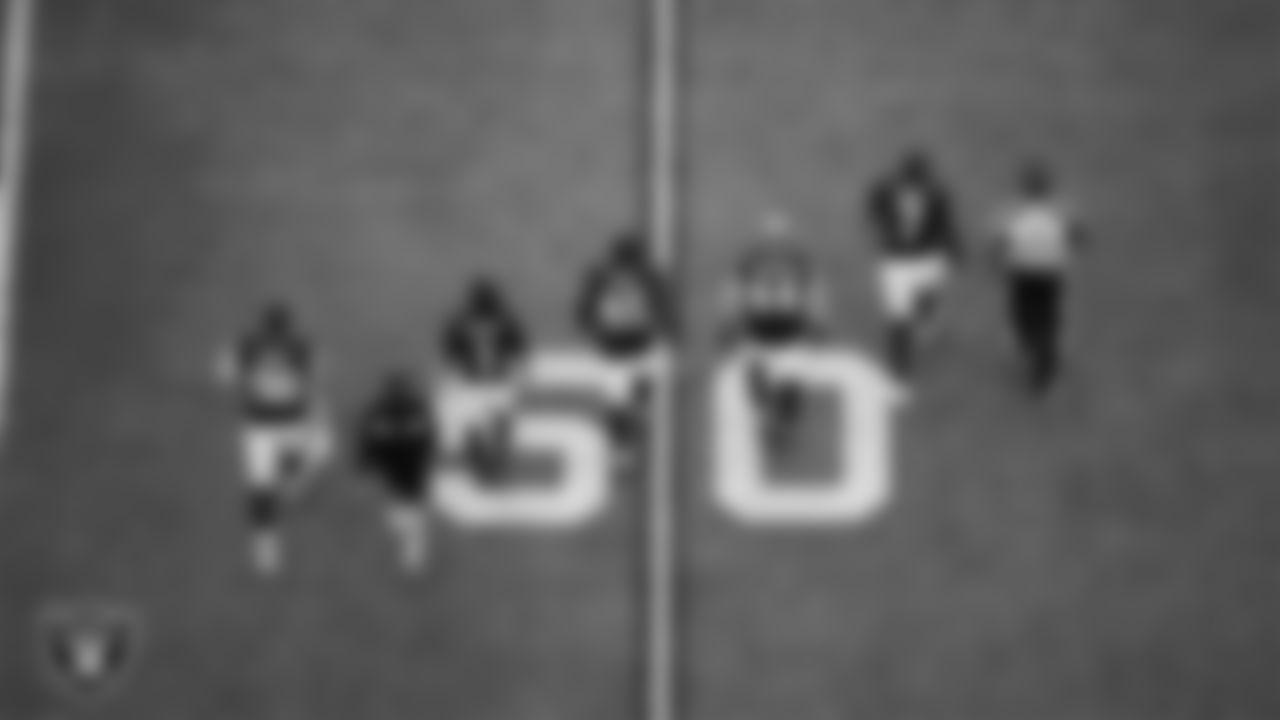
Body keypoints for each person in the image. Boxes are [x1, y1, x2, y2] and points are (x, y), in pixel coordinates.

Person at [214, 301, 334, 576]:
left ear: (263, 325)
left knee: (262, 484)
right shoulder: (300, 345)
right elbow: (318, 375)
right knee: (299, 464)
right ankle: (267, 538)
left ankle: (265, 543)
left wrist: (250, 378)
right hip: (290, 423)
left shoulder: (249, 345)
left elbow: (224, 374)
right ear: (289, 325)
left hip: (261, 427)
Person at [719, 216, 831, 453]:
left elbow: (814, 290)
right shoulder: (755, 259)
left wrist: (818, 320)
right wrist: (729, 320)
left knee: (789, 384)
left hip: (786, 329)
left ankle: (781, 422)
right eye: (773, 236)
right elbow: (734, 288)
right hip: (762, 327)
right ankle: (768, 417)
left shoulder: (793, 259)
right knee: (756, 377)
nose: (775, 242)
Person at [574, 232, 674, 465]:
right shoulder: (648, 276)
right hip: (641, 347)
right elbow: (663, 308)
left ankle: (623, 445)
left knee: (616, 404)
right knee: (652, 378)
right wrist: (669, 331)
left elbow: (583, 313)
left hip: (612, 351)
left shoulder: (598, 276)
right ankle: (637, 411)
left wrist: (593, 330)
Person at [866, 149, 964, 377]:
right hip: (917, 260)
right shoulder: (935, 194)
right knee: (906, 311)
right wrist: (957, 251)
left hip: (903, 261)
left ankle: (904, 355)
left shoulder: (887, 190)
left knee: (905, 311)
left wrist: (885, 228)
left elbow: (873, 212)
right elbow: (947, 228)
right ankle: (902, 360)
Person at [992, 162, 1085, 395]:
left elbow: (998, 244)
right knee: (1047, 314)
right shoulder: (1061, 211)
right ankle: (1045, 357)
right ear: (1047, 189)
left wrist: (997, 263)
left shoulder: (1013, 213)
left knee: (1022, 315)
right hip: (1050, 273)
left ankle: (1036, 350)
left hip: (1022, 273)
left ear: (1025, 189)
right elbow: (1080, 236)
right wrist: (1065, 248)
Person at [437, 277, 529, 483]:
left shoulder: (459, 322)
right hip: (499, 381)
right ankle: (494, 464)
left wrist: (454, 374)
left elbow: (450, 352)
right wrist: (518, 375)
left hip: (472, 383)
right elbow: (518, 350)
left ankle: (482, 467)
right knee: (500, 424)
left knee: (475, 429)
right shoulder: (507, 320)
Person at [354, 371, 438, 574]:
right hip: (392, 457)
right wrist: (367, 460)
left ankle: (415, 548)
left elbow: (426, 436)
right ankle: (412, 540)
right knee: (399, 508)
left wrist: (366, 460)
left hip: (411, 459)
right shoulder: (379, 410)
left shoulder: (415, 408)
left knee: (410, 504)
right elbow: (368, 437)